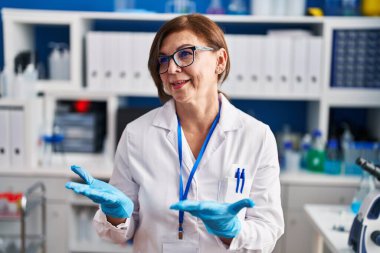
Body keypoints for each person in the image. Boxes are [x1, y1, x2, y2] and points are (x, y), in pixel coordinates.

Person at [66, 14, 284, 252]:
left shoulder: (257, 137)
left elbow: (269, 230)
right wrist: (115, 216)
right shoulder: (137, 135)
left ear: (219, 60)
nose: (171, 68)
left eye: (185, 54)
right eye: (163, 59)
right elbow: (117, 235)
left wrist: (233, 231)